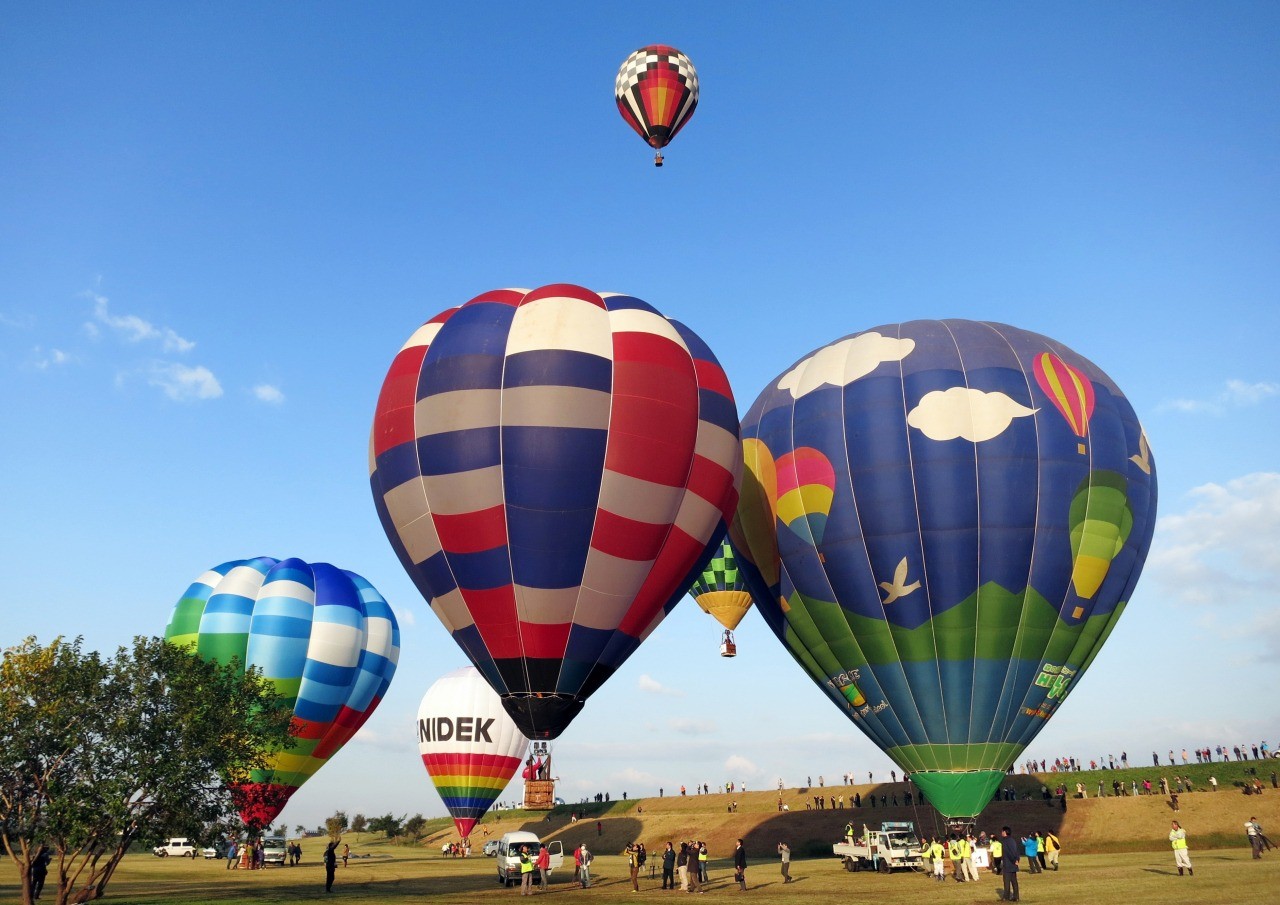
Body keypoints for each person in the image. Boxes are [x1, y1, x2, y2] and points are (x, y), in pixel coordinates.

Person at [1000, 828, 1020, 901]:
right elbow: (1016, 850)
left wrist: (1014, 860)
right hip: (1013, 864)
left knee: (1007, 881)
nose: (1001, 833)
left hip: (1008, 863)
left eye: (1002, 831)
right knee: (1014, 881)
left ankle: (1006, 897)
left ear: (1005, 832)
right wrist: (1017, 859)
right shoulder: (1012, 840)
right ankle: (1016, 896)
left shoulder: (1005, 841)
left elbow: (1009, 852)